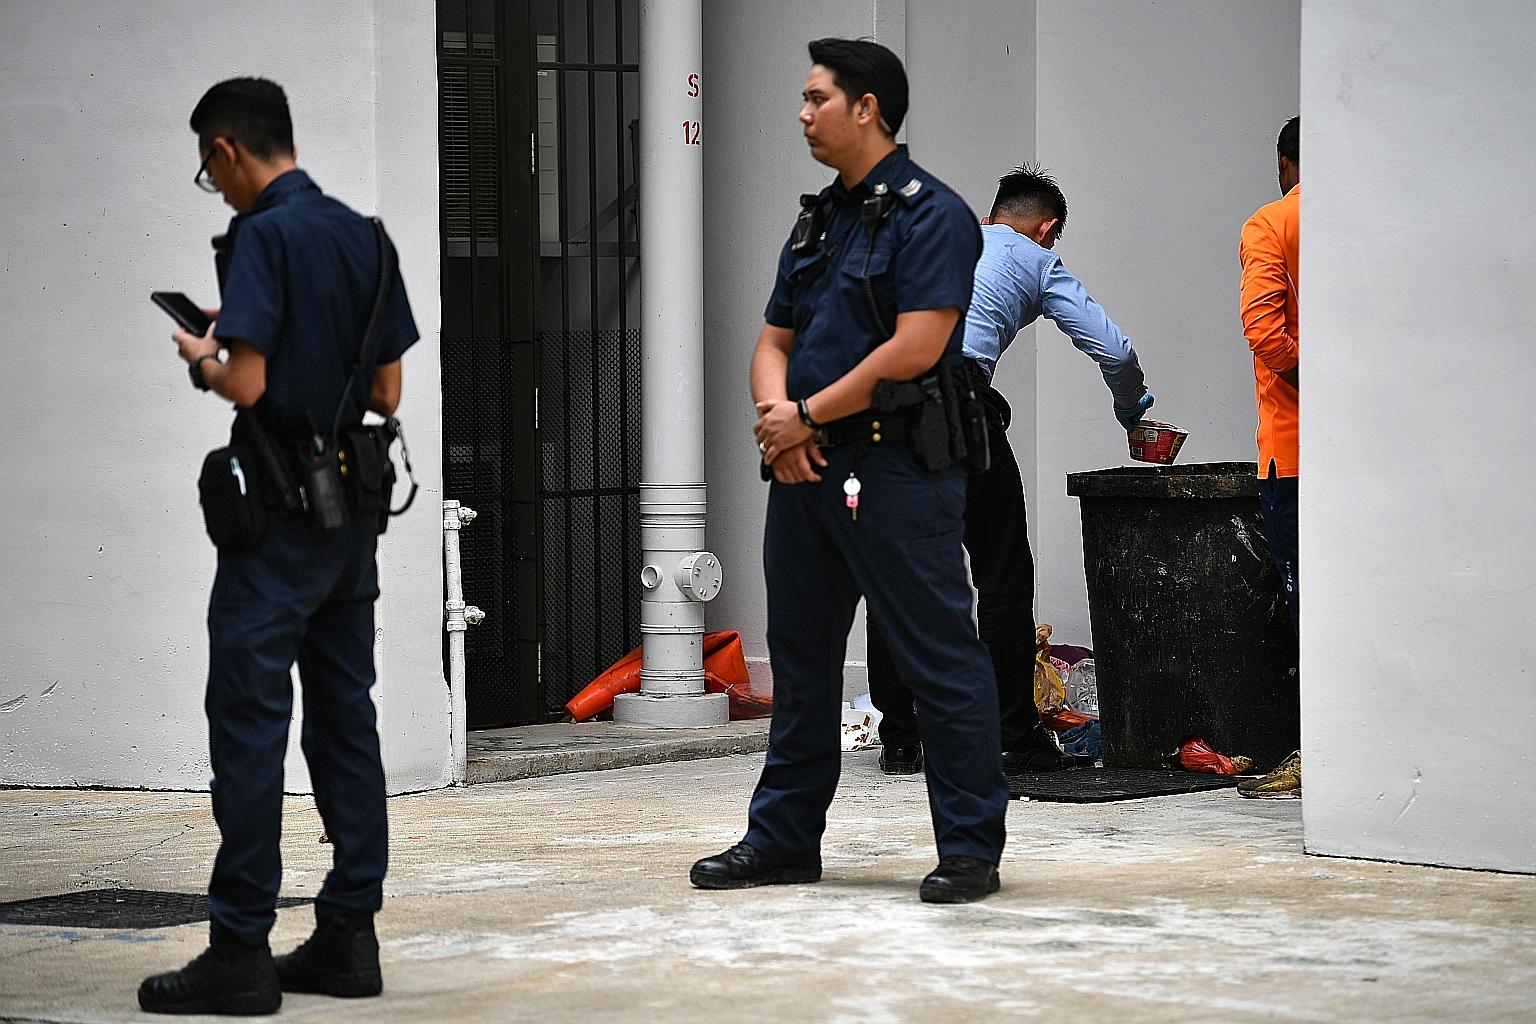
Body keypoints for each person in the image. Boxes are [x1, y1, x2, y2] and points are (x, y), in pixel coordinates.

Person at [689, 38, 1008, 904]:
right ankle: (784, 840)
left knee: (937, 657)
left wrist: (806, 415)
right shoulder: (817, 220)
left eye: (816, 98)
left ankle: (971, 847)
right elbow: (773, 341)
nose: (802, 114)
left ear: (866, 108)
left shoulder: (931, 214)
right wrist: (777, 425)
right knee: (800, 663)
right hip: (803, 470)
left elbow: (918, 344)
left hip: (897, 469)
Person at [138, 78, 418, 1015]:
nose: (214, 186)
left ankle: (240, 950)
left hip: (279, 524)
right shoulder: (364, 236)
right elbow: (387, 392)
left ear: (225, 151)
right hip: (353, 521)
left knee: (250, 724)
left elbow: (249, 381)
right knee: (346, 718)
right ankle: (349, 934)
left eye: (208, 169)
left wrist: (202, 356)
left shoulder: (262, 235)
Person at [866, 165, 1154, 778]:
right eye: (1052, 237)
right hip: (956, 402)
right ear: (1046, 227)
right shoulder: (1033, 256)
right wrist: (1132, 410)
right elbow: (1115, 349)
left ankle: (901, 740)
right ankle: (1013, 738)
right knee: (1001, 573)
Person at [1235, 115, 1301, 799]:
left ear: (1286, 163)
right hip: (1358, 452)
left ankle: (1316, 753)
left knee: (1303, 601)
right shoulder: (1356, 220)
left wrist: (1321, 386)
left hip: (1292, 452)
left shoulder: (1272, 222)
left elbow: (1267, 334)